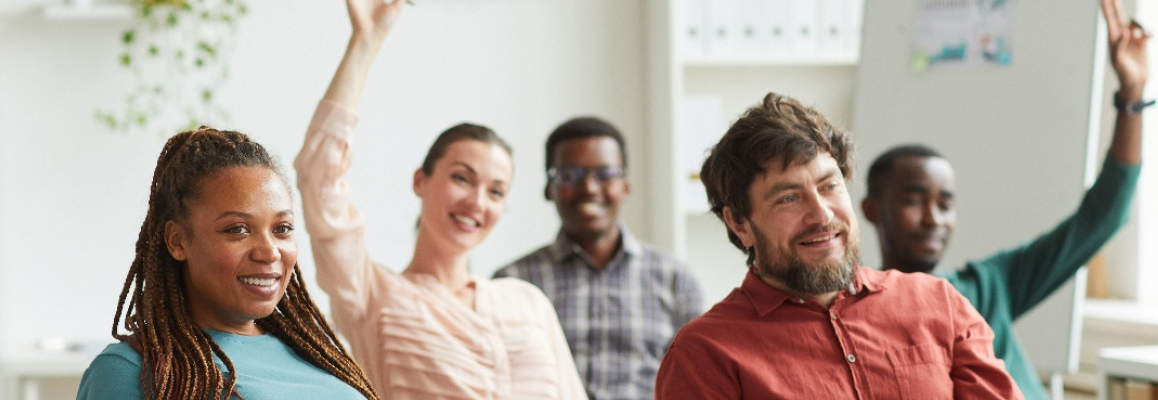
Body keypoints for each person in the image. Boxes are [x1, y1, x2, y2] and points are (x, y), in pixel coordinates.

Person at [292, 0, 585, 398]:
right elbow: (318, 178)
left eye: (496, 191)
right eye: (462, 178)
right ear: (421, 180)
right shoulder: (371, 296)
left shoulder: (527, 302)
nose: (478, 202)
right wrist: (365, 44)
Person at [859, 1, 1148, 398]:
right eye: (914, 200)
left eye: (945, 204)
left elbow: (1103, 217)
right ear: (872, 210)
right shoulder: (859, 314)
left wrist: (1131, 95)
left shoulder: (986, 287)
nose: (933, 219)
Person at [655, 92, 1023, 399]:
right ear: (739, 223)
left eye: (830, 186)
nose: (822, 215)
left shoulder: (941, 305)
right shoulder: (704, 353)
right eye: (788, 198)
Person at [76, 127, 377, 400]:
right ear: (177, 241)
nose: (269, 252)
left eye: (282, 228)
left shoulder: (316, 353)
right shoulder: (132, 371)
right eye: (237, 229)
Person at [494, 117, 703, 400]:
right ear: (548, 188)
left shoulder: (675, 280)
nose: (590, 188)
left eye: (605, 174)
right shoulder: (512, 284)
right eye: (569, 175)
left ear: (625, 186)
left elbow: (694, 385)